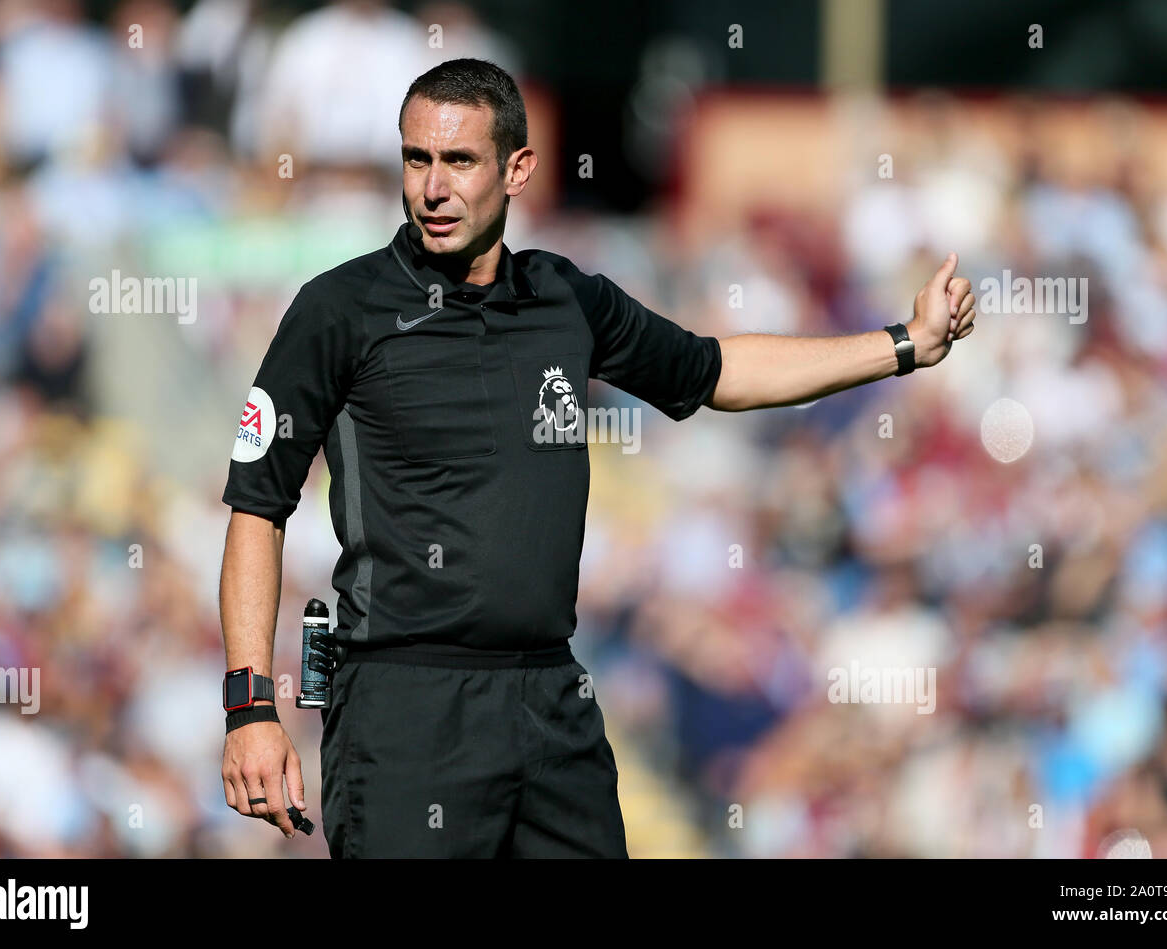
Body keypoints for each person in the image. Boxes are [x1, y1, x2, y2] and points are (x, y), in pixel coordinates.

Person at [217, 58, 977, 858]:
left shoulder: (566, 300)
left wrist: (903, 345)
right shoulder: (339, 311)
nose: (433, 187)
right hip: (407, 704)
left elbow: (716, 371)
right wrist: (250, 707)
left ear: (518, 169)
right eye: (417, 160)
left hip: (550, 697)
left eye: (460, 161)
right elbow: (257, 506)